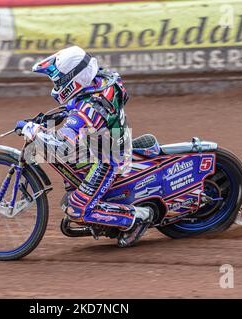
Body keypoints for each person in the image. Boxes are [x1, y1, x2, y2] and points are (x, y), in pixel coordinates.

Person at [14, 46, 153, 247]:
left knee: (76, 209)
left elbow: (62, 142)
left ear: (74, 79)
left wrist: (33, 130)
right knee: (69, 176)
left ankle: (136, 218)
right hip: (103, 143)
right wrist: (60, 114)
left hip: (106, 159)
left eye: (59, 80)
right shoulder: (105, 79)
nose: (56, 85)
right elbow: (83, 101)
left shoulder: (90, 109)